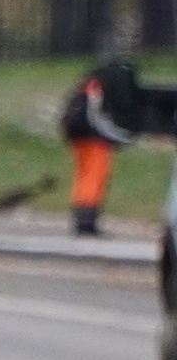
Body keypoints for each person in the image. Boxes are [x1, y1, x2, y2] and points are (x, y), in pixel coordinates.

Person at [62, 56, 141, 236]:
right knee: (95, 176)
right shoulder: (98, 88)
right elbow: (98, 119)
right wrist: (120, 136)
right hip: (94, 138)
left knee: (83, 175)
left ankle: (81, 218)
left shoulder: (88, 82)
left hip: (77, 135)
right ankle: (87, 220)